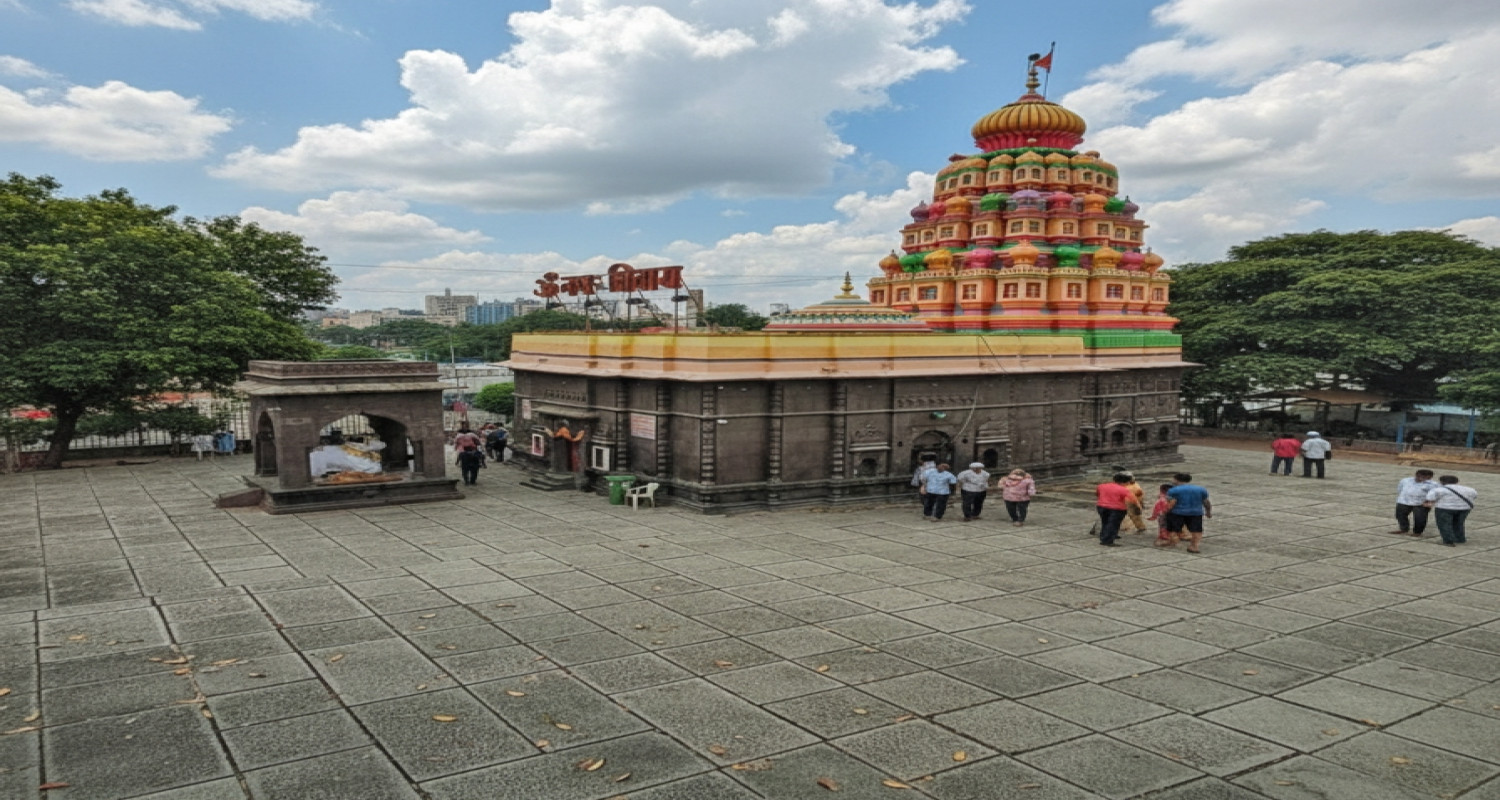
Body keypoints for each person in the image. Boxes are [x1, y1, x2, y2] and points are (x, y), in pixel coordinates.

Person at [1163, 472, 1212, 554]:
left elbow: (1172, 503)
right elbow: (1206, 502)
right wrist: (1208, 512)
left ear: (1176, 480)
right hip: (1196, 513)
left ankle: (1173, 542)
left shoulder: (1173, 490)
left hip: (1177, 512)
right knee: (1196, 530)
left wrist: (1166, 511)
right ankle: (1194, 546)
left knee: (1173, 529)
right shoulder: (1201, 489)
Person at [1425, 475, 1477, 547]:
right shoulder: (1469, 489)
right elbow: (1474, 496)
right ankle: (1460, 538)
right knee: (1458, 523)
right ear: (1457, 481)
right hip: (1464, 508)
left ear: (1441, 482)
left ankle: (1448, 541)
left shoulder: (1438, 490)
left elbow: (1430, 498)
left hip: (1444, 508)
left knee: (1444, 524)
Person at [1391, 469, 1439, 537]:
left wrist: (1430, 502)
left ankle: (1417, 532)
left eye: (1427, 478)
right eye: (1421, 476)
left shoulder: (1434, 484)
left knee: (1420, 518)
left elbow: (1436, 494)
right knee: (1400, 515)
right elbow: (1400, 489)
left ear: (1430, 477)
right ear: (1416, 475)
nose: (1423, 479)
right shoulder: (1405, 480)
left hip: (1421, 503)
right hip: (1404, 501)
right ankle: (1404, 528)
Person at [1094, 472, 1134, 547]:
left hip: (1101, 506)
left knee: (1105, 522)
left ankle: (1105, 536)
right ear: (1126, 482)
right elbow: (1132, 500)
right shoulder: (1124, 490)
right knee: (1113, 524)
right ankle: (1107, 540)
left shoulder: (1101, 486)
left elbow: (1097, 494)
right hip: (1117, 508)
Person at [1148, 484, 1177, 548]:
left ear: (1161, 490)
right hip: (1174, 515)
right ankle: (1172, 538)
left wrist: (1154, 516)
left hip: (1163, 515)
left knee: (1163, 527)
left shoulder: (1161, 499)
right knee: (1171, 527)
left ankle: (1165, 538)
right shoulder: (1174, 498)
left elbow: (1157, 508)